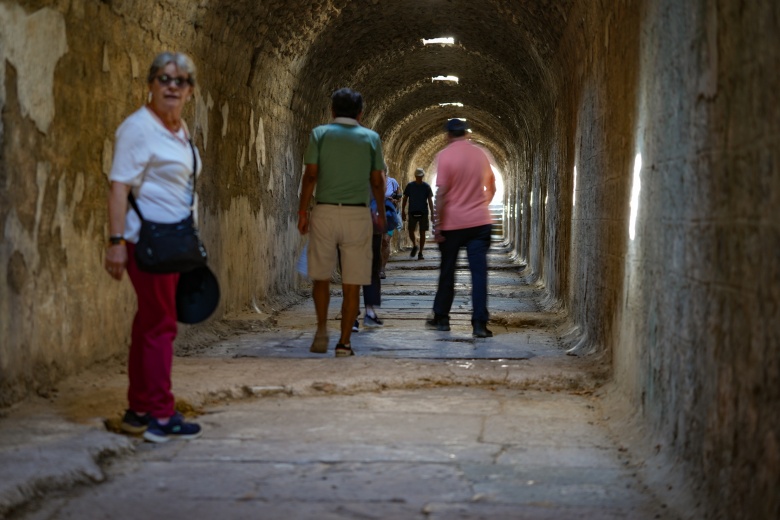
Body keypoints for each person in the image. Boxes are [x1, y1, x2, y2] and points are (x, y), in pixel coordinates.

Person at [104, 51, 202, 442]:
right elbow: (118, 186)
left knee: (149, 322)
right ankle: (161, 415)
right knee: (161, 325)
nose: (172, 87)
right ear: (150, 84)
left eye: (181, 81)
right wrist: (115, 242)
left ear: (190, 91)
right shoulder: (138, 128)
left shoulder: (180, 129)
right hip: (147, 240)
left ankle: (138, 410)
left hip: (173, 239)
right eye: (164, 79)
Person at [298, 88, 386, 357]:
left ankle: (322, 328)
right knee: (353, 282)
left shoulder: (320, 134)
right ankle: (344, 343)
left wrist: (303, 211)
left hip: (324, 211)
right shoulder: (371, 138)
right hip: (357, 215)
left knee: (321, 277)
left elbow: (311, 175)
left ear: (332, 111)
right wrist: (380, 212)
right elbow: (376, 180)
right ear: (360, 113)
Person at [426, 118, 496, 338]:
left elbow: (443, 193)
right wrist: (481, 204)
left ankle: (442, 319)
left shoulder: (444, 156)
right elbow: (491, 186)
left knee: (447, 271)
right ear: (466, 133)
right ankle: (479, 324)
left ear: (448, 135)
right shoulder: (481, 153)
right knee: (479, 274)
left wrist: (437, 225)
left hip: (452, 223)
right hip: (480, 223)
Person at [401, 168, 434, 260]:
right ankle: (415, 245)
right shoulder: (410, 186)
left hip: (423, 212)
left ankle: (420, 252)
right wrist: (403, 210)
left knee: (422, 232)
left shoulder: (426, 187)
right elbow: (405, 198)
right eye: (418, 176)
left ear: (422, 176)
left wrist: (432, 212)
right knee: (411, 230)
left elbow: (430, 200)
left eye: (420, 176)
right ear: (416, 176)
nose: (419, 177)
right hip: (412, 211)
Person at [380, 170, 402, 278]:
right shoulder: (372, 182)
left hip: (389, 215)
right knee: (375, 242)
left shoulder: (393, 182)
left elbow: (399, 198)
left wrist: (394, 201)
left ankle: (382, 269)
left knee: (385, 240)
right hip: (376, 214)